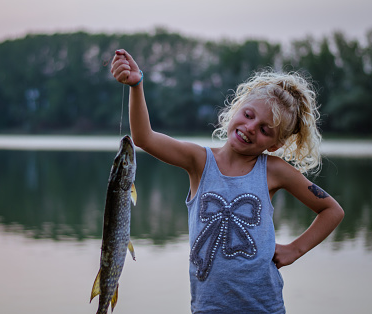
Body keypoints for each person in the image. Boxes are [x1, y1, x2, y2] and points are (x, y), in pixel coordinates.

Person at [110, 49, 344, 313]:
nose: (250, 128)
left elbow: (332, 210)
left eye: (265, 130)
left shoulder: (274, 170)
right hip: (209, 308)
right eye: (248, 115)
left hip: (265, 308)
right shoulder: (199, 161)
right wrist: (137, 84)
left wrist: (294, 249)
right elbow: (144, 138)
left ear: (276, 145)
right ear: (236, 109)